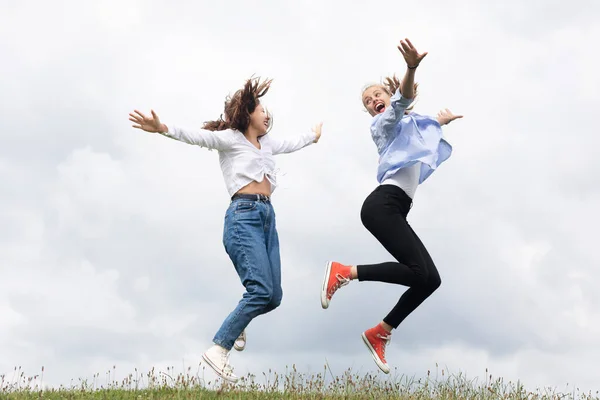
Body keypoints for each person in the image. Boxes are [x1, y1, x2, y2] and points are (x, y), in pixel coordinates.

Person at [129, 77, 323, 383]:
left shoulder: (268, 143)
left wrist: (312, 137)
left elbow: (291, 143)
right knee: (260, 290)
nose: (267, 115)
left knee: (273, 297)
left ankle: (240, 320)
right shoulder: (230, 139)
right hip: (243, 216)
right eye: (261, 110)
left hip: (266, 217)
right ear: (247, 114)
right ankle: (219, 347)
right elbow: (195, 137)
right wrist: (162, 128)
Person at [320, 38, 462, 374]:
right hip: (383, 205)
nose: (373, 103)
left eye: (376, 96)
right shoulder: (382, 124)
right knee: (419, 273)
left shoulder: (408, 125)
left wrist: (440, 123)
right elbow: (404, 101)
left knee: (429, 279)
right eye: (368, 102)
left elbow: (414, 127)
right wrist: (411, 68)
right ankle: (345, 272)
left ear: (386, 93)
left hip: (395, 208)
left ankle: (380, 332)